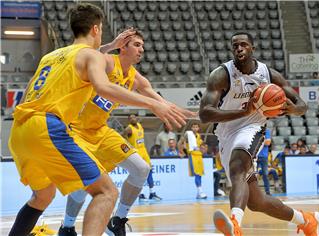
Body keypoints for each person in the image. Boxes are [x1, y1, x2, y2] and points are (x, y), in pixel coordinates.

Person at [7, 4, 187, 236]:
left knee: (42, 196)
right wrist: (152, 104)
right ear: (96, 28)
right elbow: (103, 87)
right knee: (106, 192)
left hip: (20, 130)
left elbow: (30, 89)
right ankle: (75, 225)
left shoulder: (51, 56)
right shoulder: (92, 56)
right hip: (48, 127)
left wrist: (111, 47)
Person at [57, 28, 193, 236]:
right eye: (137, 45)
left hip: (101, 131)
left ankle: (117, 220)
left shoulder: (136, 78)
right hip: (76, 130)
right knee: (83, 184)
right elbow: (84, 53)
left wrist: (180, 111)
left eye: (142, 46)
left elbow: (159, 100)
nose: (142, 50)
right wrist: (112, 44)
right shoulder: (108, 62)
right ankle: (67, 227)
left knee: (141, 169)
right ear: (123, 47)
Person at [199, 32, 319, 236]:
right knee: (257, 202)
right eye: (235, 46)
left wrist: (292, 109)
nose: (239, 48)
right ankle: (306, 220)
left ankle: (235, 224)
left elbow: (302, 106)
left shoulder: (268, 74)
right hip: (226, 132)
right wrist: (242, 111)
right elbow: (204, 114)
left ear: (252, 48)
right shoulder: (221, 75)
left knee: (238, 167)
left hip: (253, 127)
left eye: (244, 45)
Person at [124, 114, 162, 201]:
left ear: (136, 118)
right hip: (136, 152)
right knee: (139, 173)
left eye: (134, 117)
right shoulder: (129, 128)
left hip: (143, 151)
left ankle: (152, 193)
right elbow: (122, 136)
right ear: (128, 120)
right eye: (130, 118)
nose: (132, 118)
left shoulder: (140, 125)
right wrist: (128, 146)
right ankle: (140, 195)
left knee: (149, 171)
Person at [184, 123, 207, 199]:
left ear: (198, 128)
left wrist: (204, 149)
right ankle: (200, 191)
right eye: (193, 127)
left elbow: (203, 147)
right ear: (191, 128)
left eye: (196, 127)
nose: (195, 128)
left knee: (200, 174)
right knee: (197, 174)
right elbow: (183, 143)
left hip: (199, 156)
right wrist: (182, 151)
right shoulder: (188, 135)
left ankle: (198, 193)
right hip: (193, 155)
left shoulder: (199, 136)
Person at [256, 128, 271, 195]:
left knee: (265, 174)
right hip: (254, 156)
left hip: (264, 156)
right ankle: (254, 192)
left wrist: (257, 141)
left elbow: (268, 142)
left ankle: (267, 191)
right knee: (253, 175)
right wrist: (263, 141)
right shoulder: (253, 130)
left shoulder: (267, 131)